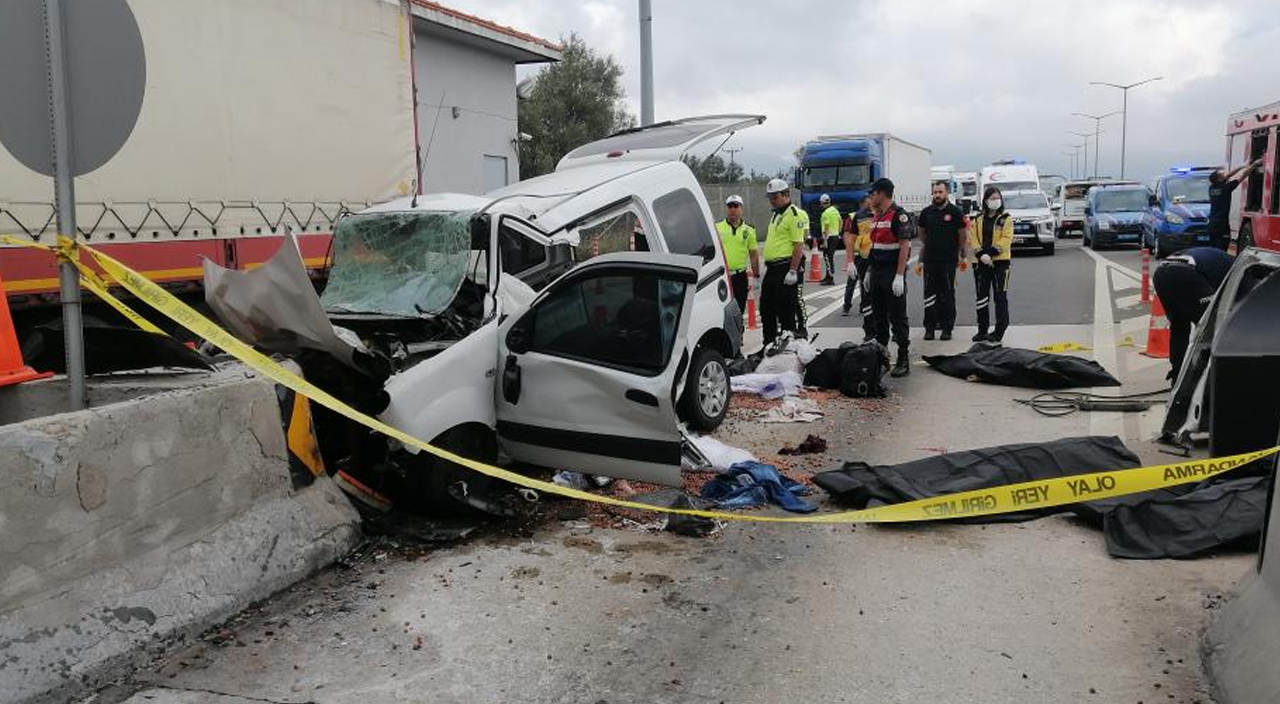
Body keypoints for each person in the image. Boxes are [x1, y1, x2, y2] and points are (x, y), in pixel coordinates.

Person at [1151, 246, 1233, 379]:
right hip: (1185, 273)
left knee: (1179, 328)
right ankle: (1208, 378)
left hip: (1161, 273)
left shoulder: (1228, 260)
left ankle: (1178, 374)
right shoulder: (1243, 272)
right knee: (1212, 326)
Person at [864, 178, 913, 377]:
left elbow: (904, 246)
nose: (870, 198)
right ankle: (882, 356)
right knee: (879, 317)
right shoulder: (876, 216)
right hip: (876, 271)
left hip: (892, 272)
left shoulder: (898, 216)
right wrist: (868, 272)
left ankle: (903, 358)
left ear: (881, 194)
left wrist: (899, 275)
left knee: (897, 316)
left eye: (873, 194)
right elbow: (874, 247)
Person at [916, 182, 968, 340]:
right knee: (929, 294)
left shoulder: (955, 212)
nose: (937, 195)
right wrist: (923, 256)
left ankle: (947, 328)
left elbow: (962, 236)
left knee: (947, 294)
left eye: (940, 192)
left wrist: (960, 254)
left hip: (948, 261)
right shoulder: (926, 213)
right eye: (935, 192)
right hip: (930, 260)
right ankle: (930, 328)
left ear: (946, 193)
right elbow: (921, 234)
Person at [760, 178, 809, 345]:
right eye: (770, 198)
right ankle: (768, 344)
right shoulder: (776, 215)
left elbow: (798, 245)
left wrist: (793, 270)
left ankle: (788, 345)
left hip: (785, 267)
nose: (772, 201)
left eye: (775, 197)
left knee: (785, 311)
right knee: (766, 309)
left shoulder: (794, 215)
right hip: (772, 269)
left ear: (786, 195)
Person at [968, 186, 1013, 343]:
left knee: (1000, 296)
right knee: (982, 297)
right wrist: (980, 254)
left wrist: (992, 253)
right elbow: (972, 238)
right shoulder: (978, 219)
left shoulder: (1005, 218)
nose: (995, 201)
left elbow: (1006, 239)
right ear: (985, 201)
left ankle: (1000, 330)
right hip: (981, 263)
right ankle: (982, 329)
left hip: (1000, 263)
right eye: (992, 198)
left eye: (997, 198)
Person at [715, 194, 760, 315]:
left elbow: (753, 254)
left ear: (742, 209)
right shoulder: (717, 228)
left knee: (738, 310)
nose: (733, 210)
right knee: (722, 311)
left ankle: (738, 333)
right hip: (723, 276)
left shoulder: (749, 230)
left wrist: (756, 275)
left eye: (736, 206)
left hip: (740, 277)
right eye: (730, 206)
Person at [1207, 159, 1262, 251]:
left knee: (1213, 247)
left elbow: (1228, 175)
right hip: (1222, 225)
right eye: (1221, 174)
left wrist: (1242, 166)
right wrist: (1254, 165)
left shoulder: (1212, 188)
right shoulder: (1226, 188)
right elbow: (1243, 176)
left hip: (1212, 224)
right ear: (1219, 179)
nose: (1225, 175)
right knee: (1222, 248)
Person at [842, 198, 874, 335]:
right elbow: (848, 236)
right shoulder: (855, 217)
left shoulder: (881, 214)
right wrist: (849, 261)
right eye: (867, 201)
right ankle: (847, 306)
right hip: (859, 256)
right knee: (854, 282)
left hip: (873, 257)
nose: (870, 203)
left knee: (868, 287)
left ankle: (864, 307)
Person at [818, 193, 842, 285]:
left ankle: (830, 278)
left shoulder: (825, 213)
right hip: (835, 236)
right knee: (830, 257)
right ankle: (828, 276)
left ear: (822, 203)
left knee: (827, 257)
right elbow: (840, 221)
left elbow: (826, 227)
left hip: (829, 237)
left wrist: (825, 241)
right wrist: (838, 232)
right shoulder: (834, 210)